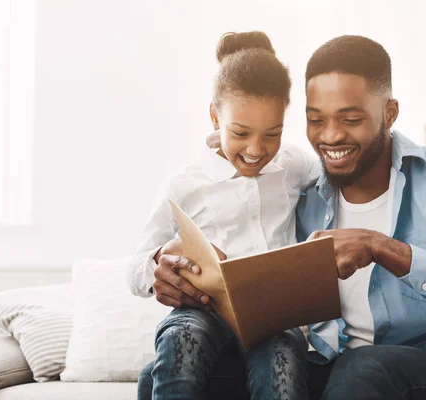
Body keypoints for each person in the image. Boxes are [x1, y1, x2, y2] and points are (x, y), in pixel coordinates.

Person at [137, 35, 426, 400]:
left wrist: (383, 248)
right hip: (335, 371)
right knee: (157, 376)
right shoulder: (305, 192)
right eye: (316, 120)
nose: (330, 136)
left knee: (363, 368)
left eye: (350, 119)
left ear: (390, 113)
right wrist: (165, 266)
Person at [127, 31, 320, 400]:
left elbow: (335, 179)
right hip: (201, 308)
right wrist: (157, 263)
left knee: (283, 365)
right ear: (215, 116)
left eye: (272, 134)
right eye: (240, 132)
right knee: (180, 343)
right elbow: (134, 270)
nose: (255, 149)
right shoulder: (184, 184)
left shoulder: (293, 165)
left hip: (274, 316)